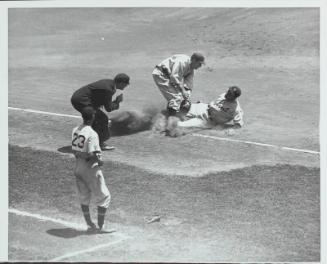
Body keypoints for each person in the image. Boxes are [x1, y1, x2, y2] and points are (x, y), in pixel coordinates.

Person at [71, 107, 111, 232]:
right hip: (90, 169)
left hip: (78, 167)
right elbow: (93, 153)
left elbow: (74, 151)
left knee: (84, 197)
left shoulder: (75, 130)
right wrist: (99, 161)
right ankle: (101, 226)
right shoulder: (93, 134)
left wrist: (82, 156)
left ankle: (89, 224)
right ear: (93, 117)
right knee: (104, 196)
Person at [71, 73, 130, 150]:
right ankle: (99, 143)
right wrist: (117, 101)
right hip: (82, 101)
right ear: (121, 83)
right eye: (126, 84)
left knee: (97, 119)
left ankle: (88, 140)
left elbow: (98, 97)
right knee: (101, 119)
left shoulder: (109, 83)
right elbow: (109, 108)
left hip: (80, 99)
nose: (126, 86)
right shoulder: (109, 89)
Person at [176, 86, 244, 129]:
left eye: (230, 94)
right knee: (182, 107)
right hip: (204, 108)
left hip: (208, 121)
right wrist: (202, 103)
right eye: (228, 91)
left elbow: (238, 125)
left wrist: (231, 130)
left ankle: (170, 125)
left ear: (234, 97)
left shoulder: (236, 109)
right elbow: (215, 104)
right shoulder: (224, 95)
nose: (227, 94)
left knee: (180, 125)